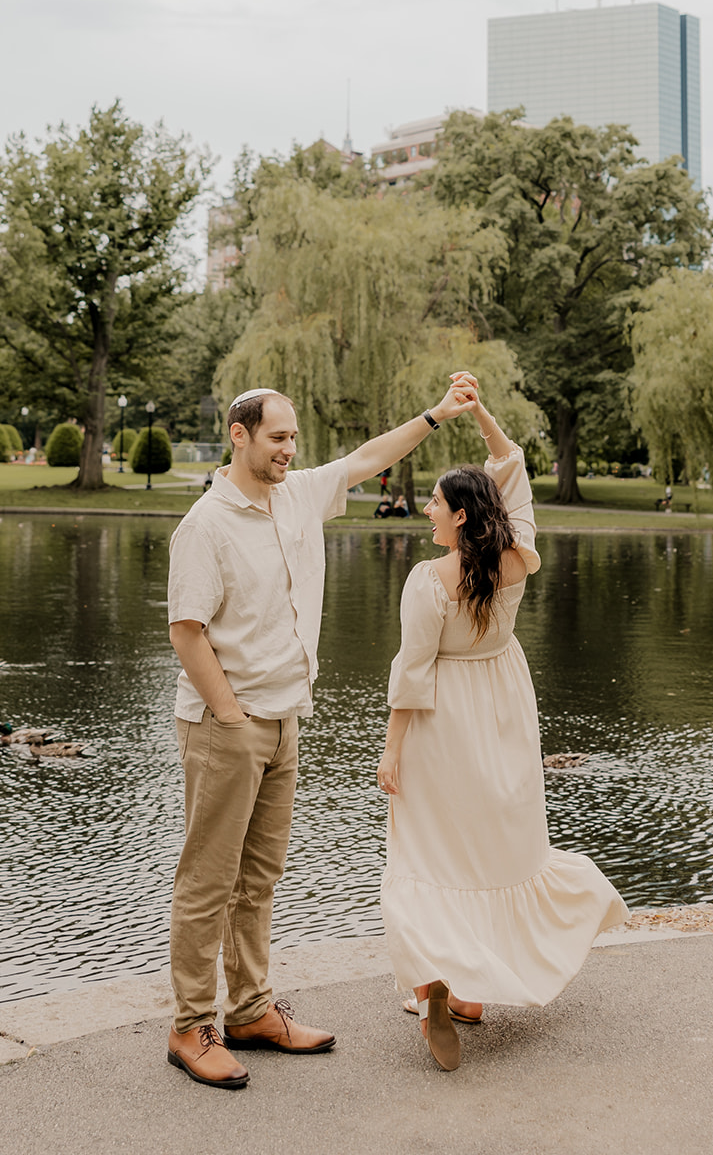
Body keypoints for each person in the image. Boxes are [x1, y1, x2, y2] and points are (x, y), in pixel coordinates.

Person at [166, 379, 472, 1090]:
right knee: (208, 882)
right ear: (238, 436)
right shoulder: (205, 525)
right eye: (277, 438)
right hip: (228, 724)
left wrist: (434, 415)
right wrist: (233, 715)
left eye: (293, 438)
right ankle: (189, 1025)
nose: (289, 450)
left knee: (259, 878)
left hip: (285, 719)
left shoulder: (298, 494)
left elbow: (367, 458)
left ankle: (248, 1011)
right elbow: (186, 631)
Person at [377, 375, 628, 1072]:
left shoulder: (429, 579)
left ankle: (434, 988)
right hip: (503, 710)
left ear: (460, 515)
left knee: (430, 854)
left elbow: (412, 672)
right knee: (493, 850)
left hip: (440, 721)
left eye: (434, 500)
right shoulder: (514, 559)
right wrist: (481, 410)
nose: (425, 508)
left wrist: (391, 751)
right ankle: (470, 994)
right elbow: (510, 464)